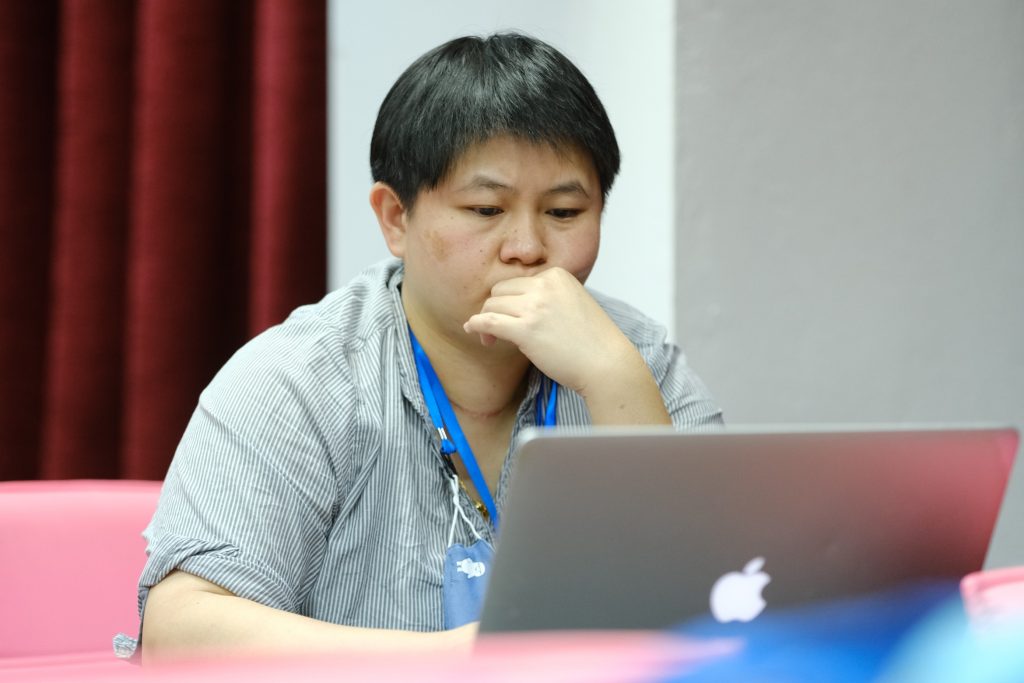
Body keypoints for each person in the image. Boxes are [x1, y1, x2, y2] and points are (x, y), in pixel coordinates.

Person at [134, 31, 722, 662]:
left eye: (563, 213)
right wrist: (464, 661)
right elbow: (179, 633)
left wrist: (614, 383)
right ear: (396, 217)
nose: (527, 248)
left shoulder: (636, 359)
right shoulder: (299, 378)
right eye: (486, 209)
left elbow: (726, 609)